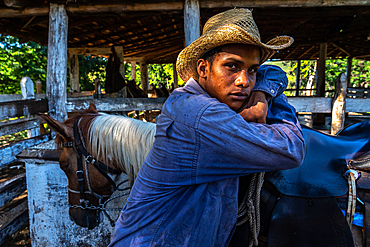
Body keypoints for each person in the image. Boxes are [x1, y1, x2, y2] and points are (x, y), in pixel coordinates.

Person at [109, 8, 305, 247]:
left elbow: (272, 71)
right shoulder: (200, 114)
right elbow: (291, 149)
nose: (244, 81)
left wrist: (262, 93)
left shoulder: (200, 102)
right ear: (203, 69)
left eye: (251, 70)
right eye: (232, 66)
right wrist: (276, 102)